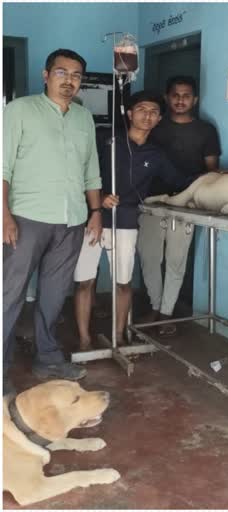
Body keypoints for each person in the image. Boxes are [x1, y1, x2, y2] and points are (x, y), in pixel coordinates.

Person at [3, 49, 103, 395]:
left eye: (76, 75)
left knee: (54, 294)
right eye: (61, 72)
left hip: (71, 220)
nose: (69, 80)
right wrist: (4, 216)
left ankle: (47, 357)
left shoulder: (82, 118)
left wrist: (95, 213)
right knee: (10, 294)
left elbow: (91, 170)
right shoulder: (19, 111)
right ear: (46, 75)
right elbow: (2, 168)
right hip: (26, 218)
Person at [73, 91, 194, 350]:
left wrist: (212, 180)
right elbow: (79, 171)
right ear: (129, 114)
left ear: (159, 118)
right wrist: (100, 197)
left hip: (127, 220)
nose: (147, 115)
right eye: (141, 109)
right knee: (85, 282)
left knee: (124, 283)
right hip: (93, 218)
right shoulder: (107, 141)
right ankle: (84, 339)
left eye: (153, 111)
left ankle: (118, 336)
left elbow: (180, 182)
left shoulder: (156, 155)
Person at [136, 76, 222, 336]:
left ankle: (166, 311)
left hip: (187, 202)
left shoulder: (205, 130)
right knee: (150, 257)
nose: (181, 99)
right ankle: (154, 305)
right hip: (151, 201)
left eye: (186, 95)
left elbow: (212, 171)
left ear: (195, 99)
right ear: (167, 97)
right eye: (175, 94)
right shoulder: (154, 127)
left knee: (176, 260)